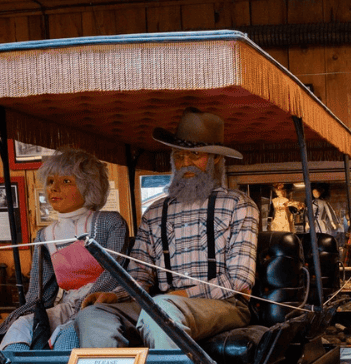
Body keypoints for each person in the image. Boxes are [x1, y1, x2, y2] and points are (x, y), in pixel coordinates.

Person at [75, 108, 259, 350]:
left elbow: (239, 279)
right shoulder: (155, 212)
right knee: (92, 315)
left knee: (162, 311)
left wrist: (183, 296)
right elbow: (140, 275)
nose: (185, 163)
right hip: (161, 304)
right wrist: (116, 295)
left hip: (225, 305)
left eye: (195, 154)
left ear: (215, 158)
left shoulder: (239, 205)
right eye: (178, 156)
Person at [0, 148, 128, 351]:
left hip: (104, 304)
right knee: (21, 327)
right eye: (50, 182)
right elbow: (40, 291)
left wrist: (83, 304)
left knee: (68, 334)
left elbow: (115, 273)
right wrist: (26, 315)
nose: (54, 188)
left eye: (66, 181)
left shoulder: (110, 222)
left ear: (89, 186)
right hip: (68, 305)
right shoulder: (45, 235)